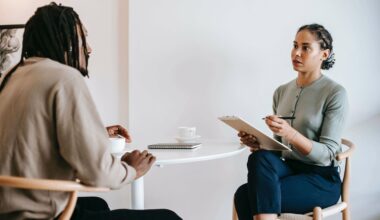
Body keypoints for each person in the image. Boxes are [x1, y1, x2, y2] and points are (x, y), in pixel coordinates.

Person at [0, 3, 181, 220]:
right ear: (64, 41)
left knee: (98, 204)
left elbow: (28, 137)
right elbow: (99, 175)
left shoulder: (14, 78)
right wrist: (132, 169)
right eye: (82, 37)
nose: (89, 48)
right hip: (41, 214)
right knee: (168, 217)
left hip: (8, 209)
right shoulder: (64, 78)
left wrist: (92, 133)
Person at [234, 24, 348, 220]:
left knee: (246, 196)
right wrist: (258, 144)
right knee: (259, 159)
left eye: (305, 48)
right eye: (295, 45)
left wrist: (292, 134)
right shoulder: (281, 91)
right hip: (290, 170)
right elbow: (279, 151)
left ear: (324, 54)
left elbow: (327, 154)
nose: (296, 53)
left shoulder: (335, 93)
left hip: (321, 179)